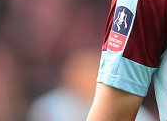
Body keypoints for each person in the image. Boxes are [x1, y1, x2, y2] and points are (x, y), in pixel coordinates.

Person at [27, 48, 155, 121]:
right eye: (79, 71)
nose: (85, 78)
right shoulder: (46, 109)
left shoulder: (133, 113)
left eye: (90, 70)